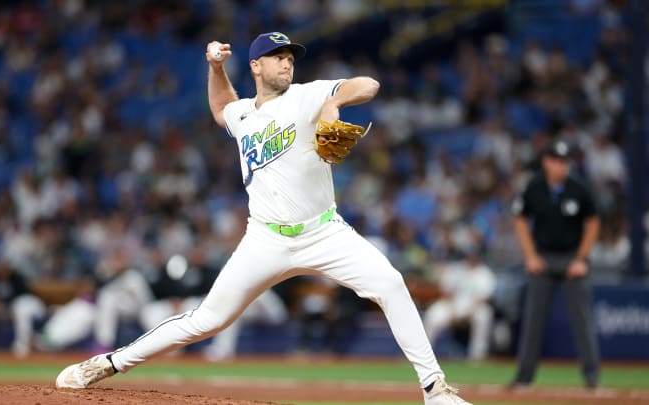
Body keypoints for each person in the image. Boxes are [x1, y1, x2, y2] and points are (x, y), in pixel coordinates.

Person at [55, 31, 471, 405]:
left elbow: (369, 84)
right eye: (276, 56)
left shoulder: (308, 94)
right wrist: (216, 66)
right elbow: (221, 108)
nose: (286, 62)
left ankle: (435, 388)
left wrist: (334, 101)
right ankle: (108, 363)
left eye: (290, 56)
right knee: (207, 319)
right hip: (265, 240)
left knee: (390, 283)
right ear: (255, 66)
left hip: (324, 231)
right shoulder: (243, 115)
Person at [509, 139, 601, 389]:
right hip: (543, 258)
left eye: (565, 161)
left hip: (573, 258)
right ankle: (523, 378)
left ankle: (592, 378)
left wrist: (581, 258)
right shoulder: (535, 187)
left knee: (582, 320)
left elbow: (593, 223)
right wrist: (530, 256)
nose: (562, 166)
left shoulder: (578, 188)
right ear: (546, 162)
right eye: (557, 161)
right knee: (533, 321)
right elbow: (519, 219)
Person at [423, 249, 496, 360]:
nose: (471, 259)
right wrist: (452, 312)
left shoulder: (484, 273)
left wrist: (470, 313)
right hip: (453, 306)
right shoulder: (456, 269)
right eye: (470, 256)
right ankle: (423, 355)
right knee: (432, 315)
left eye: (474, 256)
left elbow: (485, 298)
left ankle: (477, 356)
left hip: (474, 307)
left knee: (484, 314)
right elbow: (447, 292)